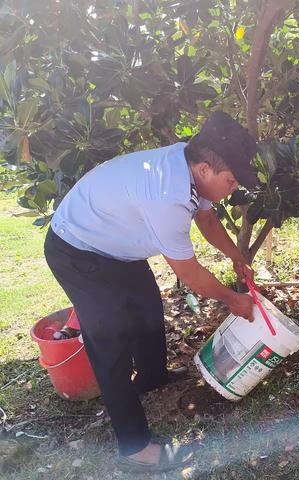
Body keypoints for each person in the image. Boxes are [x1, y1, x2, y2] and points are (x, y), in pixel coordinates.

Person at [43, 111, 258, 473]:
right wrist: (233, 300)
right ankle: (134, 448)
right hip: (77, 249)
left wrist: (237, 256)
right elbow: (190, 274)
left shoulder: (190, 166)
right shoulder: (166, 195)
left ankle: (152, 377)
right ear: (205, 169)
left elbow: (206, 218)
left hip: (116, 244)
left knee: (146, 308)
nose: (234, 188)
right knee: (109, 341)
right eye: (232, 180)